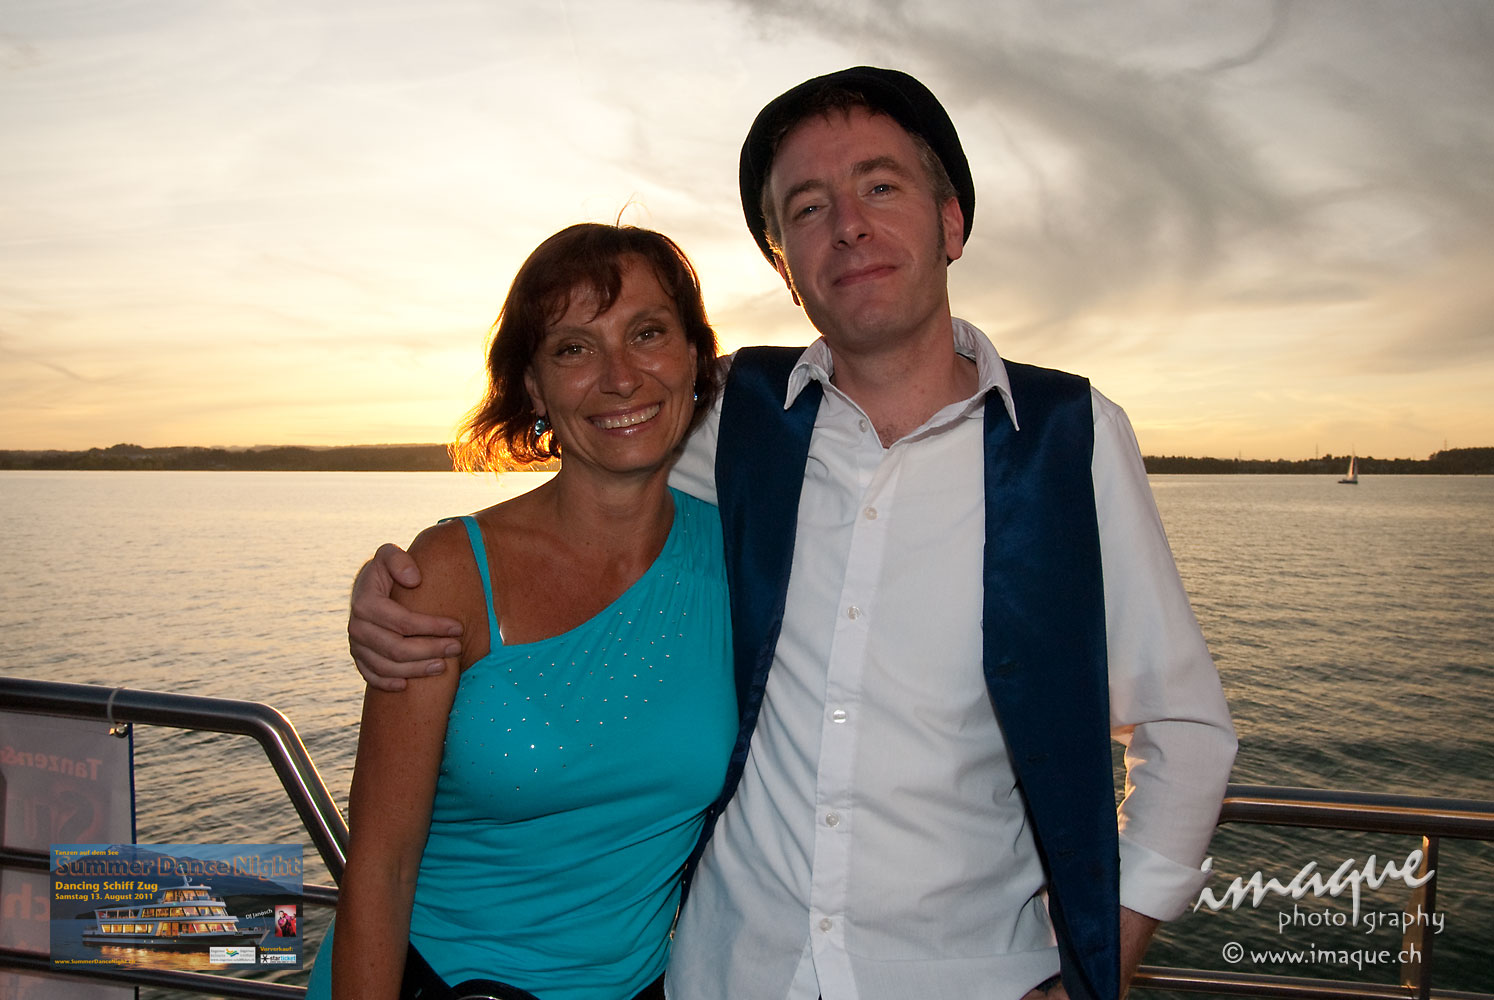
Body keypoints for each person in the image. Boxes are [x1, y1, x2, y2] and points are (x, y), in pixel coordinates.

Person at [348, 68, 1236, 1000]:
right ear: (784, 266)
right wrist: (399, 589)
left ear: (951, 223)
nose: (848, 224)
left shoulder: (1068, 440)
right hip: (728, 974)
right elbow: (588, 494)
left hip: (970, 975)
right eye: (808, 207)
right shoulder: (731, 418)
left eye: (880, 186)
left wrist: (1100, 966)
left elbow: (1184, 732)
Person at [311, 223, 736, 1000]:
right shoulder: (449, 575)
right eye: (574, 348)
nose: (620, 377)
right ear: (535, 388)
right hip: (434, 985)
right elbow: (380, 865)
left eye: (648, 333)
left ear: (695, 359)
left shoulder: (740, 561)